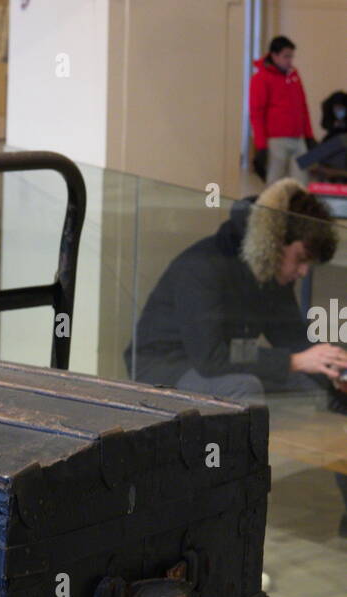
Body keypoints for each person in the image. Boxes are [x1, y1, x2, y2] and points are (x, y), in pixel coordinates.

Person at [125, 178, 347, 531]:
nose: (303, 272)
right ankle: (230, 526)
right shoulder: (203, 266)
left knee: (326, 384)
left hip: (224, 361)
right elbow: (210, 356)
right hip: (164, 367)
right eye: (301, 260)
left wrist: (334, 368)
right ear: (276, 243)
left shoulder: (269, 273)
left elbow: (295, 341)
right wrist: (294, 361)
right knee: (243, 389)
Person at [249, 36, 316, 185]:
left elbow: (303, 107)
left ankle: (297, 209)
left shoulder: (294, 76)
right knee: (275, 184)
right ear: (274, 55)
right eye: (286, 56)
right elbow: (256, 114)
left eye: (291, 56)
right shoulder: (261, 78)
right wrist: (261, 146)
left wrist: (309, 135)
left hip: (298, 139)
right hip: (276, 140)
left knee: (301, 182)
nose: (290, 60)